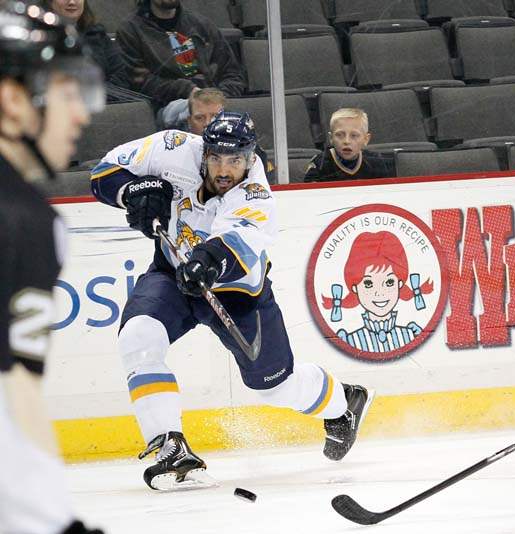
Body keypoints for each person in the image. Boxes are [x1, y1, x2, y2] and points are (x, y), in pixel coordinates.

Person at [90, 111, 374, 490]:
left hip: (237, 292)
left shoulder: (256, 192)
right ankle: (169, 447)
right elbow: (102, 173)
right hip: (172, 274)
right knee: (138, 336)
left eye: (235, 160)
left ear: (250, 158)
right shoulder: (171, 147)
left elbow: (234, 246)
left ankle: (343, 402)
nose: (225, 170)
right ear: (203, 151)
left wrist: (206, 261)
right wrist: (133, 192)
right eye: (217, 158)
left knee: (274, 386)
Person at [0, 2, 105, 533]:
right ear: (13, 101)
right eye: (69, 94)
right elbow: (10, 394)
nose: (83, 114)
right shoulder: (22, 222)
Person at [116, 0, 246, 110]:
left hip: (215, 104)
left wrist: (221, 100)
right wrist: (187, 90)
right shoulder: (130, 29)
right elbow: (139, 83)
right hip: (166, 108)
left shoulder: (202, 25)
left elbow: (232, 74)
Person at [323, 231, 434, 352]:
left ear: (399, 284)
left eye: (389, 282)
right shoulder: (350, 340)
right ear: (355, 288)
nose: (379, 293)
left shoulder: (410, 334)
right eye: (368, 283)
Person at [42, 0, 151, 104]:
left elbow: (122, 74)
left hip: (106, 105)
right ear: (50, 2)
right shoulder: (40, 38)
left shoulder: (97, 34)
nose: (72, 2)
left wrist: (96, 94)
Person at [304, 108, 395, 183]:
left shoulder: (376, 162)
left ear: (366, 139)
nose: (346, 141)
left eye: (354, 135)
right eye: (339, 135)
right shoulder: (320, 163)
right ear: (331, 138)